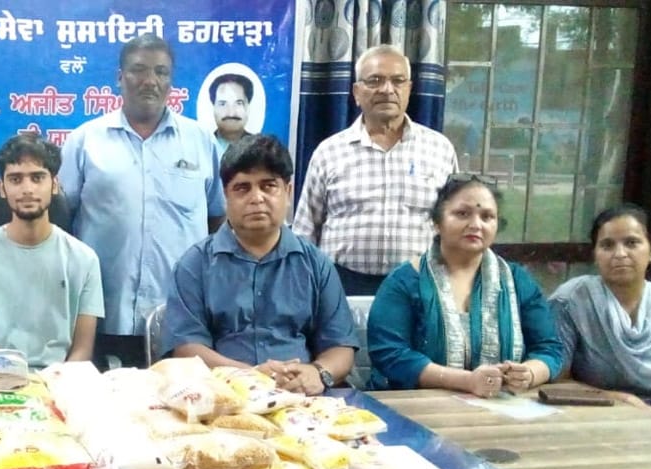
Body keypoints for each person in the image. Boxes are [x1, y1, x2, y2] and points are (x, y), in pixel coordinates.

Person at [61, 34, 225, 368]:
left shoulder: (200, 141)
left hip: (181, 319)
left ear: (171, 82)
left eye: (161, 72)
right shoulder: (85, 141)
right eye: (138, 70)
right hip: (103, 314)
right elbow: (63, 223)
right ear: (120, 77)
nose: (150, 81)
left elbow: (217, 218)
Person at [163, 135, 356, 395]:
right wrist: (251, 376)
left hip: (302, 398)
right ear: (225, 196)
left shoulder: (315, 264)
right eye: (242, 188)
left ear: (288, 192)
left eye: (268, 186)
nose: (257, 198)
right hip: (224, 398)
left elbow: (341, 347)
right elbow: (187, 349)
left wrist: (318, 372)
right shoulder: (194, 265)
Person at [366, 174, 563, 396]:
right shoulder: (405, 282)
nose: (476, 225)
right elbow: (390, 354)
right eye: (462, 214)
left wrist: (529, 373)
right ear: (437, 223)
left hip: (501, 405)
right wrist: (467, 381)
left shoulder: (517, 281)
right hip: (415, 406)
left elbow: (549, 349)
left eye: (487, 217)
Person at [293, 44, 458, 295]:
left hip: (419, 286)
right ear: (357, 92)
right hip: (341, 286)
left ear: (409, 89)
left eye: (398, 81)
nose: (387, 89)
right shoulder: (329, 152)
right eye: (375, 81)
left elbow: (455, 223)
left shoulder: (440, 149)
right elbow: (305, 230)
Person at [0, 135, 103, 368]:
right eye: (15, 179)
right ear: (2, 188)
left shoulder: (84, 260)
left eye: (37, 178)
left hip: (63, 380)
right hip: (0, 379)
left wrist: (54, 384)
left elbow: (82, 351)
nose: (27, 189)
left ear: (54, 185)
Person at [549, 205, 651, 426]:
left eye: (632, 243)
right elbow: (556, 381)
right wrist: (617, 400)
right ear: (595, 255)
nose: (620, 254)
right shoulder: (571, 301)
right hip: (591, 416)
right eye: (607, 245)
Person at [210, 73, 254, 151]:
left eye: (238, 103)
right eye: (223, 104)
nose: (231, 113)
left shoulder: (262, 149)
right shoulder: (202, 146)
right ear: (214, 108)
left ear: (248, 107)